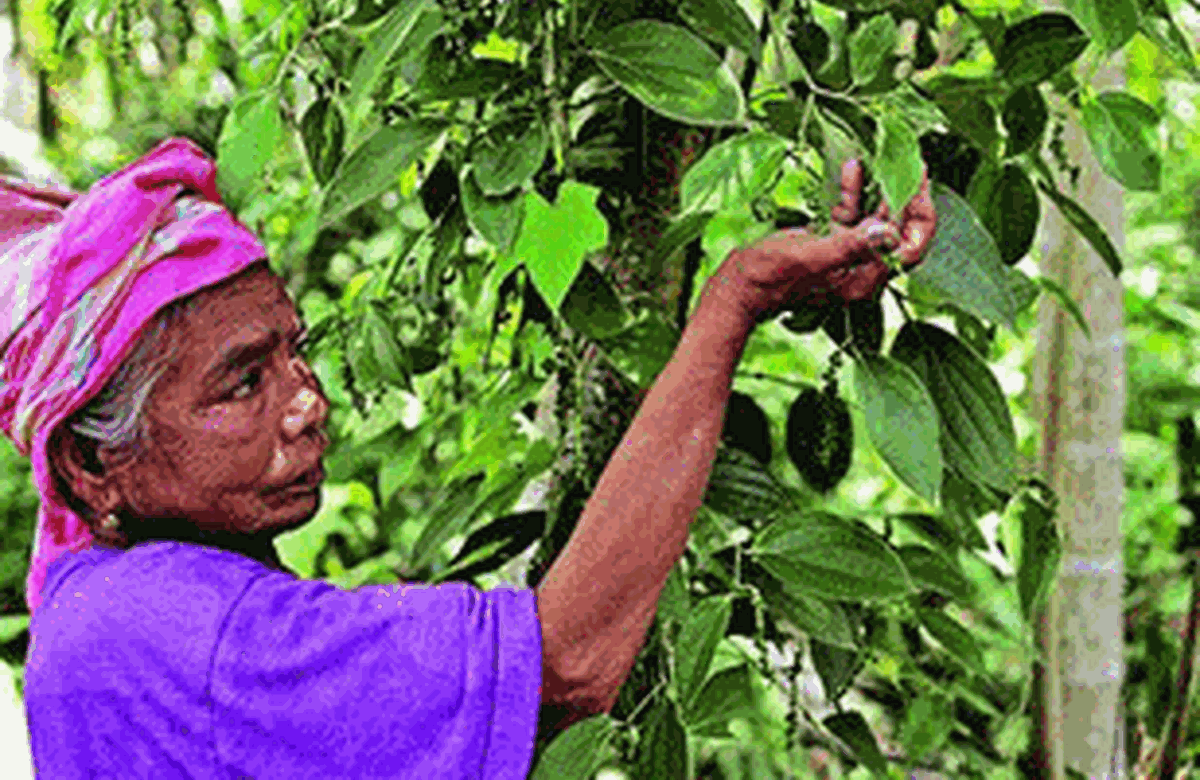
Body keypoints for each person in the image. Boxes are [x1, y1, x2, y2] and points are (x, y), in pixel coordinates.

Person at [0, 136, 935, 778]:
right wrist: (735, 300)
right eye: (242, 384)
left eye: (296, 352)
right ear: (91, 465)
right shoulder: (183, 634)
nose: (307, 402)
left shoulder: (95, 606)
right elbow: (568, 661)